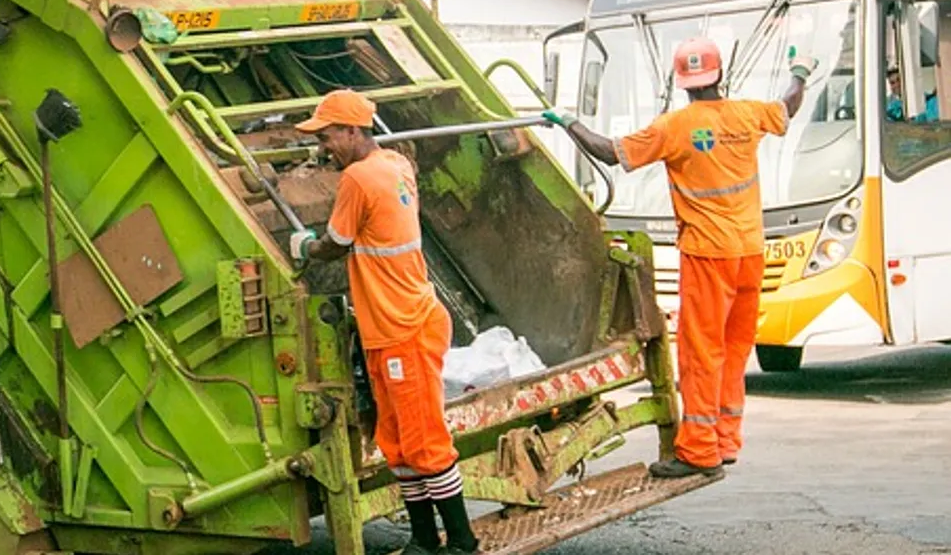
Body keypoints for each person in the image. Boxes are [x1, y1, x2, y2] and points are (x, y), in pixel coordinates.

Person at [543, 37, 817, 479]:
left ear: (681, 81)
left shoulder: (675, 127)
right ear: (720, 75)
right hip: (750, 252)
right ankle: (726, 441)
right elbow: (788, 105)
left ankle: (698, 452)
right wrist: (800, 71)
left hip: (708, 255)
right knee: (734, 349)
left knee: (700, 355)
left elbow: (610, 153)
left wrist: (568, 122)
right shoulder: (747, 114)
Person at [288, 89, 477, 555]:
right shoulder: (396, 164)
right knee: (396, 441)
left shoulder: (358, 178)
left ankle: (461, 540)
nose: (323, 146)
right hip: (393, 325)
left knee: (425, 440)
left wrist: (304, 247)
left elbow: (336, 241)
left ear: (353, 131)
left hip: (402, 328)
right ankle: (424, 538)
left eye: (328, 135)